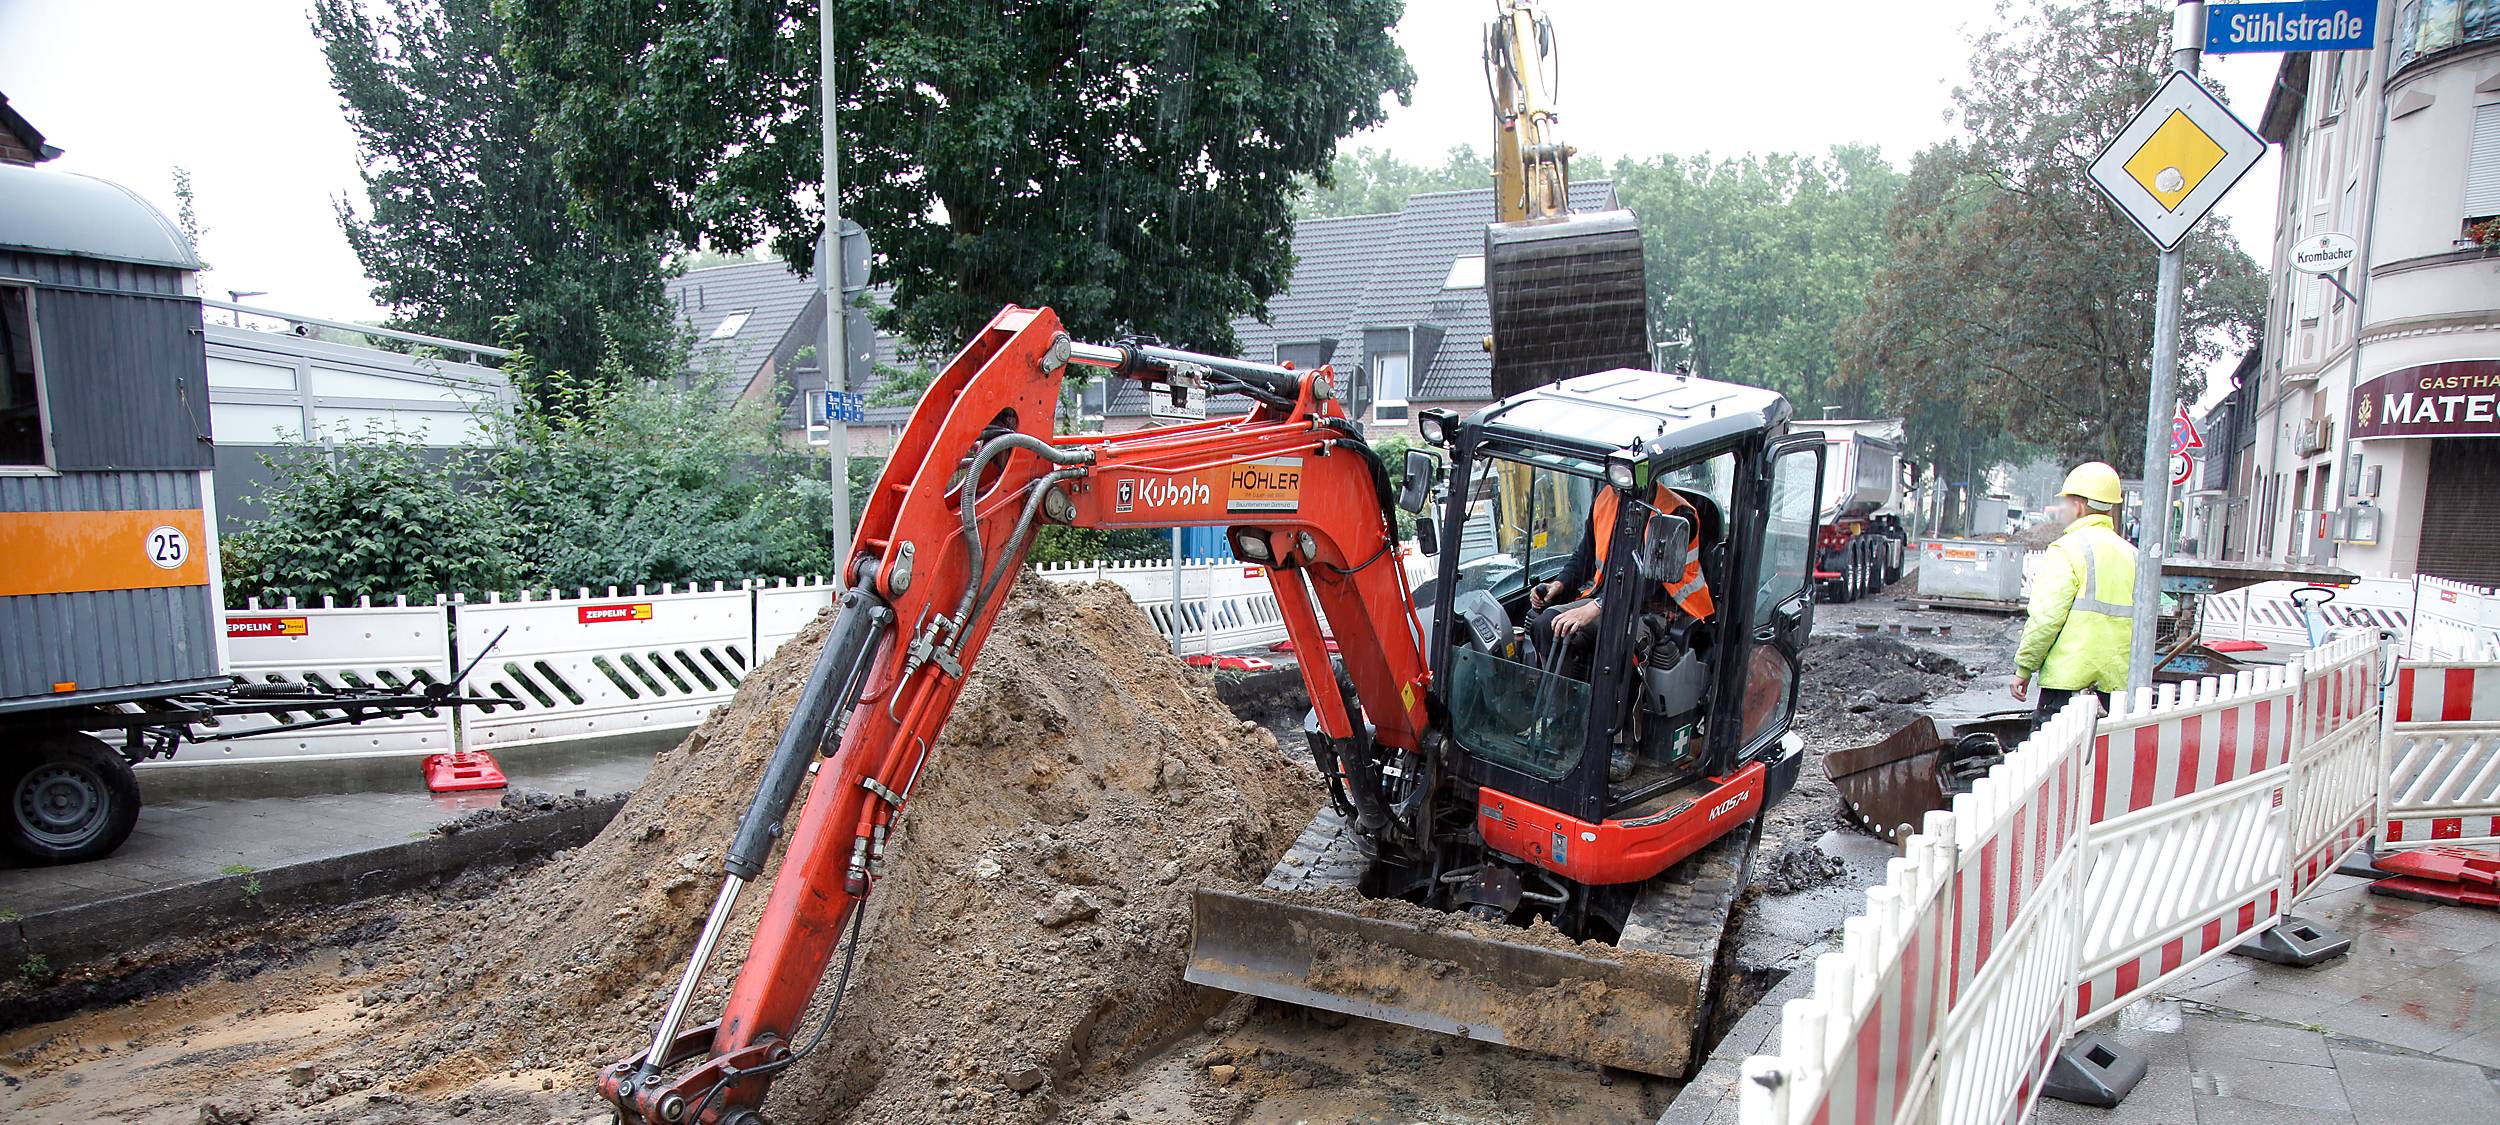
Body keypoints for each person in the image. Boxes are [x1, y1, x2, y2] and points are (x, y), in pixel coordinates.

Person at [2012, 461, 2138, 729]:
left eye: (2066, 503)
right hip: (2116, 687)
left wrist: (2024, 668)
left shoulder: (2066, 549)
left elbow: (2045, 619)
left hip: (2067, 686)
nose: (2062, 509)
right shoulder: (2132, 555)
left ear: (2079, 506)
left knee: (2052, 761)